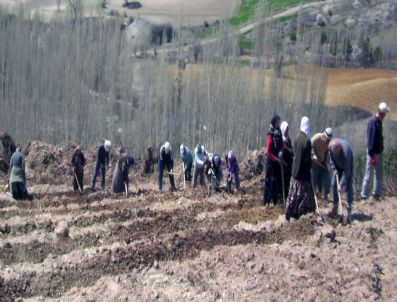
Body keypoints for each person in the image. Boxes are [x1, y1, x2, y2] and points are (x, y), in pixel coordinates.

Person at [285, 117, 315, 221]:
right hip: (303, 174)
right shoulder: (307, 141)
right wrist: (311, 162)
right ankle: (300, 214)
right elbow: (307, 160)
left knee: (293, 195)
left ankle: (289, 214)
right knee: (304, 196)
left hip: (295, 171)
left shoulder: (297, 138)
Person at [361, 102, 390, 201]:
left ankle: (376, 195)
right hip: (372, 153)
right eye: (385, 113)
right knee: (368, 174)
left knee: (378, 174)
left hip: (378, 152)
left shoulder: (379, 121)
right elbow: (371, 141)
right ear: (382, 113)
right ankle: (364, 195)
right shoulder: (373, 122)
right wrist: (372, 155)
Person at [329, 138, 354, 223]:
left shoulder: (346, 153)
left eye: (337, 153)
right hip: (337, 166)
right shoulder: (330, 148)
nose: (335, 154)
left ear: (340, 149)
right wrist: (334, 168)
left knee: (348, 185)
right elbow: (331, 159)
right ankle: (335, 206)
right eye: (334, 153)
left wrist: (341, 183)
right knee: (333, 184)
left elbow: (347, 171)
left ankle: (349, 208)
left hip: (346, 165)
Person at [263, 114, 285, 206]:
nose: (278, 124)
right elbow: (268, 151)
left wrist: (281, 151)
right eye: (277, 122)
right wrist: (275, 159)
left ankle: (275, 200)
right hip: (271, 161)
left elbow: (282, 144)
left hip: (277, 159)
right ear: (274, 122)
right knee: (269, 180)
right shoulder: (270, 133)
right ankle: (266, 201)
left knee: (276, 180)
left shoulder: (279, 131)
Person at [311, 128, 333, 201]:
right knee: (314, 181)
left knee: (326, 179)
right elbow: (310, 147)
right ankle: (315, 198)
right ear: (324, 136)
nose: (327, 141)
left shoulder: (328, 143)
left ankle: (325, 196)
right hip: (314, 164)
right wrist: (313, 155)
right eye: (326, 139)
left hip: (322, 163)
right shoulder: (316, 138)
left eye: (328, 140)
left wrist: (326, 162)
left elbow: (327, 152)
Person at [280, 121, 294, 198]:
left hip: (289, 163)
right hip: (284, 163)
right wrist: (291, 151)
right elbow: (285, 149)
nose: (287, 131)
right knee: (284, 181)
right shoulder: (281, 139)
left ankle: (287, 195)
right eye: (286, 130)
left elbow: (290, 148)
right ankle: (283, 196)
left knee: (289, 180)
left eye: (288, 130)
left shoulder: (288, 139)